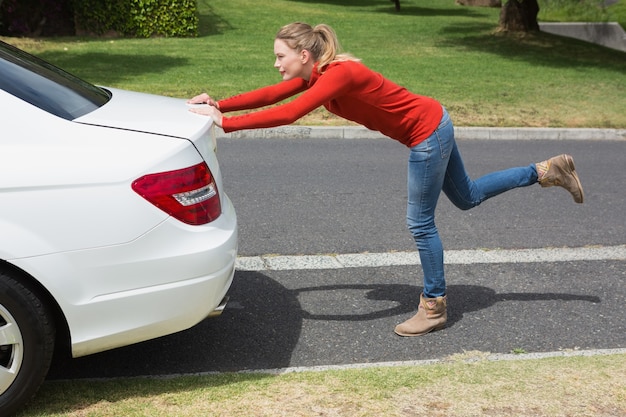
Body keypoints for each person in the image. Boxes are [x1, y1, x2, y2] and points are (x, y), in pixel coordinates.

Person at [188, 22, 584, 337]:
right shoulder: (319, 75)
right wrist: (218, 104)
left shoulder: (339, 75)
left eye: (280, 56)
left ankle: (434, 308)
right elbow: (275, 95)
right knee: (468, 197)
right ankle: (546, 171)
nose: (276, 63)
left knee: (420, 223)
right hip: (435, 123)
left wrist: (226, 124)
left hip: (427, 135)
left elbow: (291, 114)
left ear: (304, 55)